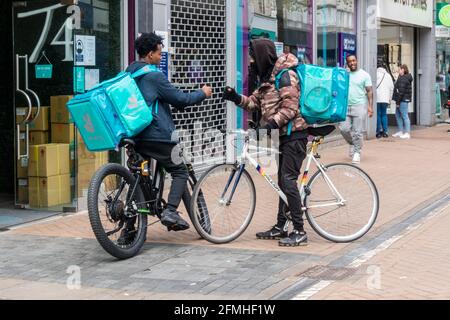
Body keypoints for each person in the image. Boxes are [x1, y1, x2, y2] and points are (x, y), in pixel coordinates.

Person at [121, 32, 212, 243]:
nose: (161, 56)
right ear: (150, 53)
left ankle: (128, 231)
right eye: (159, 52)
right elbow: (180, 99)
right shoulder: (154, 76)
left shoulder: (128, 74)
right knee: (179, 170)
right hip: (158, 136)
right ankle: (170, 210)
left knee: (136, 181)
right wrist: (202, 93)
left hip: (136, 137)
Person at [222, 38, 309, 247]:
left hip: (295, 135)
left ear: (263, 55)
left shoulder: (285, 75)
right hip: (284, 136)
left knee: (288, 181)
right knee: (283, 182)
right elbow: (253, 103)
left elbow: (290, 109)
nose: (251, 60)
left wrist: (269, 125)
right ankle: (281, 226)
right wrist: (235, 97)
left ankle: (299, 230)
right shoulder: (267, 78)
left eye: (253, 56)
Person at [340, 55, 374, 164]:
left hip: (359, 106)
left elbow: (369, 91)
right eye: (350, 61)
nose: (352, 63)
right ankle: (352, 144)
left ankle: (357, 153)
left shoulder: (364, 75)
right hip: (345, 107)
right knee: (343, 129)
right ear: (347, 63)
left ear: (357, 61)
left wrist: (370, 106)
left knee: (357, 132)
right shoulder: (345, 74)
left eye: (354, 60)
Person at [392, 64, 413, 139]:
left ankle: (407, 133)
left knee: (404, 116)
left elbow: (401, 92)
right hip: (402, 100)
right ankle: (400, 131)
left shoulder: (403, 78)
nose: (398, 70)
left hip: (402, 100)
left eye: (399, 69)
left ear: (403, 70)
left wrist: (398, 103)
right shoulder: (402, 78)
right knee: (398, 115)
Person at [376, 60, 394, 138]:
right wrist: (390, 98)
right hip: (385, 98)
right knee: (384, 114)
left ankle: (378, 132)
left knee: (378, 114)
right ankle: (385, 131)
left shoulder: (375, 74)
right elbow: (391, 88)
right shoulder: (388, 75)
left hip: (377, 98)